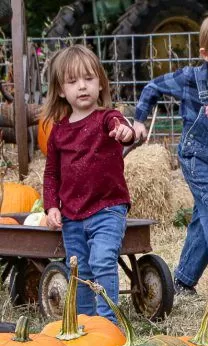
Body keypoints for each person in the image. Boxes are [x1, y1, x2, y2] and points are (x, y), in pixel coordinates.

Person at [133, 11, 208, 294]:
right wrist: (139, 119)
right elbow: (152, 87)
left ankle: (183, 281)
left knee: (206, 216)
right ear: (206, 54)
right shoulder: (190, 79)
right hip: (195, 157)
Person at [42, 44, 135, 323]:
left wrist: (124, 132)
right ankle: (85, 322)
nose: (82, 87)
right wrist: (51, 207)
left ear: (100, 83)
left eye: (89, 79)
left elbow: (124, 129)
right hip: (71, 215)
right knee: (80, 271)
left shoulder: (107, 118)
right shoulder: (58, 132)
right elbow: (51, 175)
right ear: (61, 90)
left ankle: (108, 323)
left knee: (103, 261)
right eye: (73, 81)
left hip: (107, 208)